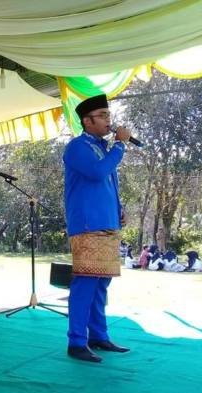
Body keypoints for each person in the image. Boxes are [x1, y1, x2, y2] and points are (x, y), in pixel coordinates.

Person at [62, 93, 131, 363]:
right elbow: (97, 173)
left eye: (108, 115)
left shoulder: (103, 147)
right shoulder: (77, 147)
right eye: (103, 116)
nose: (108, 120)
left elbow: (107, 183)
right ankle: (76, 341)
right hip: (88, 225)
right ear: (87, 121)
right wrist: (120, 145)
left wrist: (118, 209)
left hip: (107, 223)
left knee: (102, 282)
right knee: (86, 282)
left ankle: (98, 336)